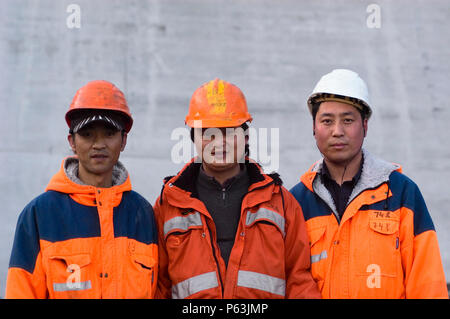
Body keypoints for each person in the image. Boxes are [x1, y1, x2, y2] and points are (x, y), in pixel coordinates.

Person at [154, 78, 320, 299]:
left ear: (247, 137)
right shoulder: (169, 204)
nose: (219, 142)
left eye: (229, 132)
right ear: (193, 139)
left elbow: (299, 282)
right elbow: (159, 287)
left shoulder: (280, 202)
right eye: (208, 133)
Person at [290, 69, 448, 298]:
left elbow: (427, 282)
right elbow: (290, 280)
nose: (337, 131)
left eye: (348, 120)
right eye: (327, 121)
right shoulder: (296, 202)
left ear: (365, 125)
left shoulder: (402, 193)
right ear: (314, 127)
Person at [6, 80, 158, 299]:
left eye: (109, 133)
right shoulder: (40, 215)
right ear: (72, 141)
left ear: (123, 141)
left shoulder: (142, 214)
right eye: (87, 134)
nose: (98, 144)